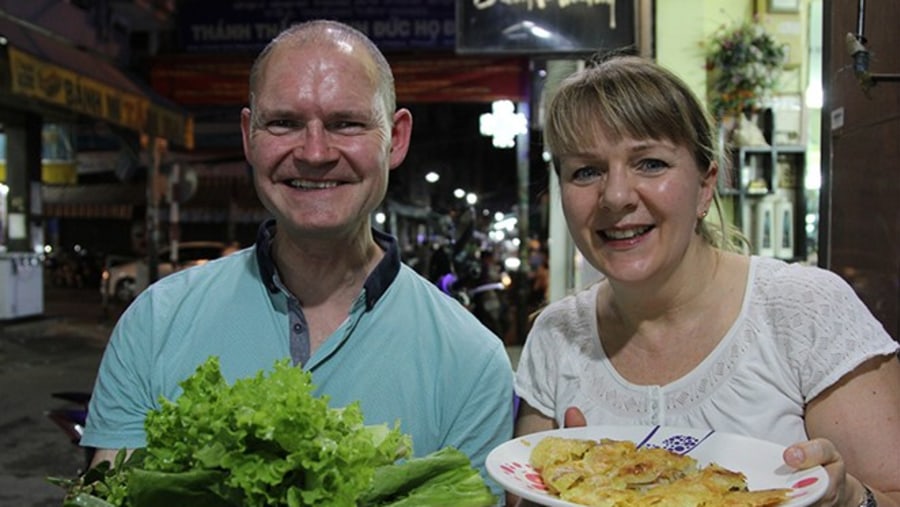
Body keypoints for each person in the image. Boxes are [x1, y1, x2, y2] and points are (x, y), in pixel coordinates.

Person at [81, 19, 514, 501]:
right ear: (249, 136)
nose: (313, 153)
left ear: (396, 138)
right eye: (284, 123)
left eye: (346, 123)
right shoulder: (154, 322)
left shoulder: (473, 361)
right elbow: (110, 491)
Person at [512, 54, 900, 506]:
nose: (615, 196)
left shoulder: (806, 310)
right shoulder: (557, 336)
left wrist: (850, 498)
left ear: (706, 185)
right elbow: (522, 489)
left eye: (650, 163)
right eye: (586, 171)